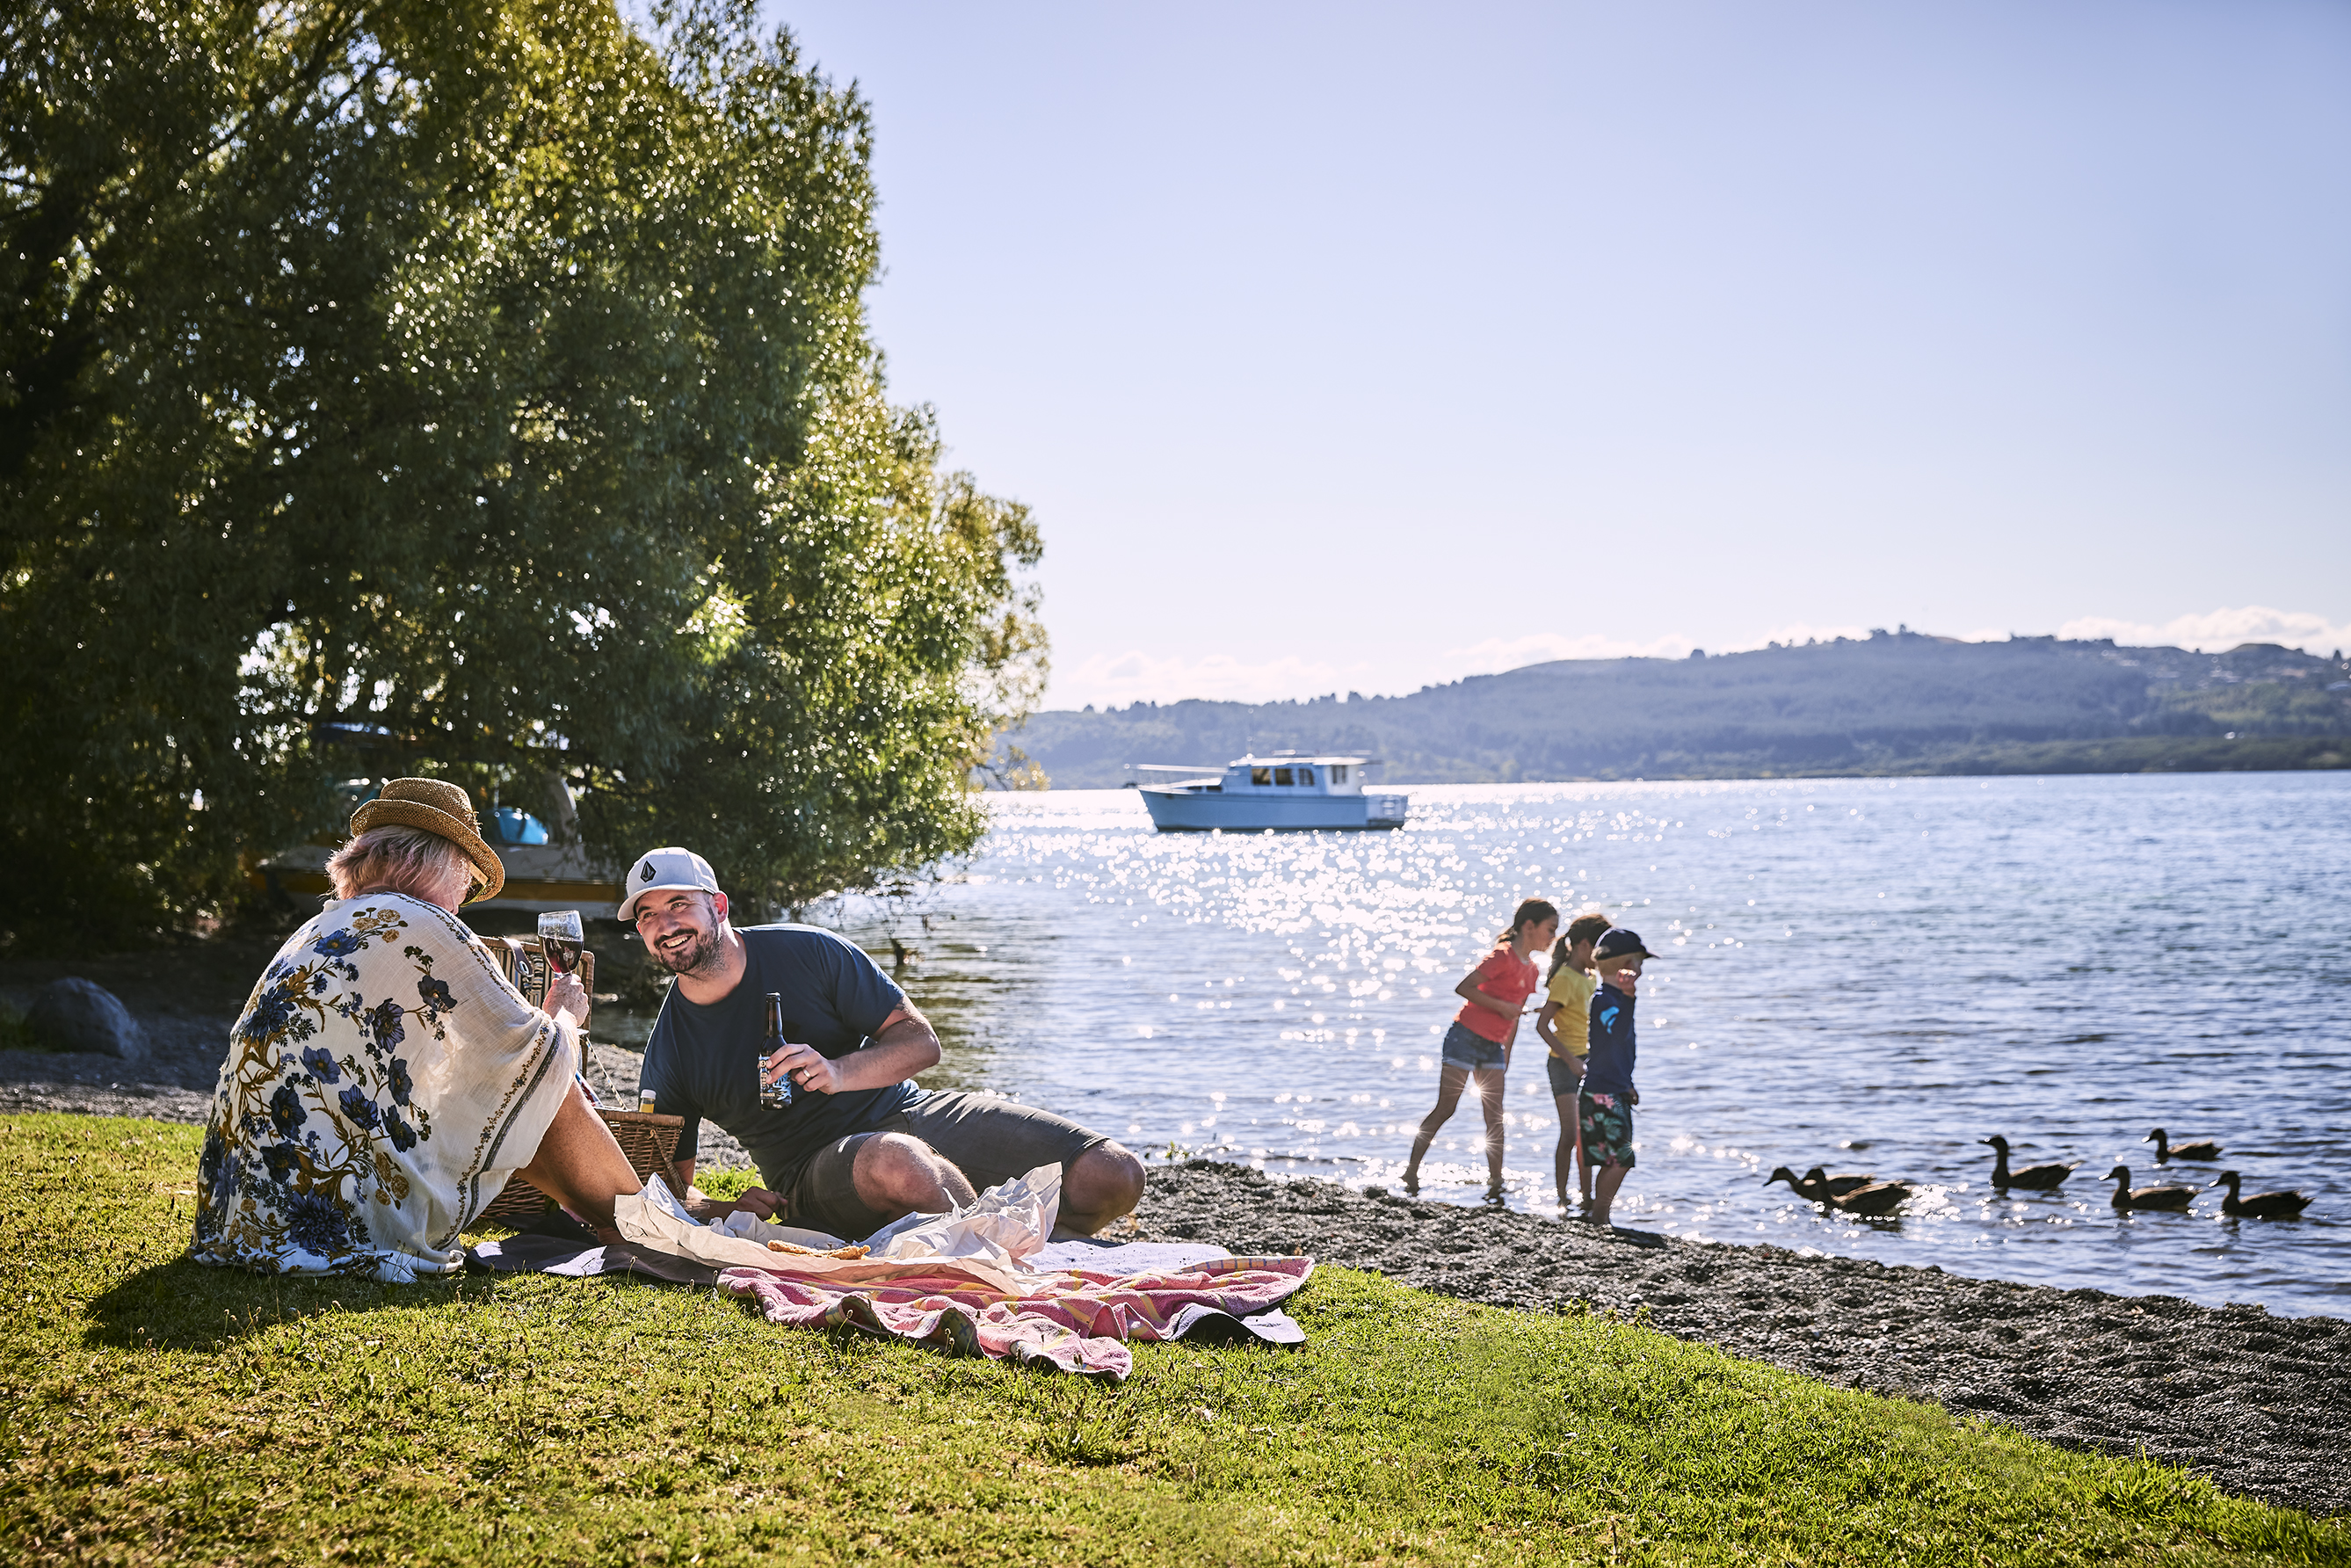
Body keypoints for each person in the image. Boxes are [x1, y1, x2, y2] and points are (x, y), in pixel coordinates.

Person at [191, 779, 643, 1282]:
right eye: (467, 882)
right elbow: (529, 1050)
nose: (462, 900)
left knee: (520, 1080)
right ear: (441, 863)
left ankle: (631, 1218)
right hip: (328, 1221)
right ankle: (641, 1225)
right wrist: (564, 1016)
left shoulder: (327, 922)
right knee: (541, 1072)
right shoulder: (423, 922)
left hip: (238, 1217)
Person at [625, 847, 1146, 1240]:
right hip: (814, 1173)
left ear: (717, 906)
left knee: (1113, 1174)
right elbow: (663, 1190)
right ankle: (1009, 1270)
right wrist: (722, 1207)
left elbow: (922, 1044)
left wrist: (838, 1072)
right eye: (647, 916)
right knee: (899, 1161)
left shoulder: (810, 952)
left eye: (678, 904)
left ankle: (981, 1242)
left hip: (909, 1110)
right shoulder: (669, 1048)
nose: (665, 925)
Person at [1400, 898, 1559, 1203]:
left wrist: (1506, 1054)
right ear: (1529, 926)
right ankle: (1411, 1170)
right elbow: (1464, 988)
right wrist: (1501, 1006)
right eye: (1550, 929)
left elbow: (1513, 1019)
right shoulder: (1502, 956)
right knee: (1446, 1108)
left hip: (1493, 1047)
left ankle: (1496, 1181)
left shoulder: (1532, 971)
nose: (1553, 937)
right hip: (1465, 1036)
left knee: (1495, 1117)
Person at [1533, 910, 1614, 1215]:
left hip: (1589, 1061)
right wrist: (1570, 1060)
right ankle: (1562, 1198)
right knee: (1571, 1133)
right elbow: (1542, 1026)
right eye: (1599, 949)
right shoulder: (1565, 977)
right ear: (1583, 945)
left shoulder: (1590, 978)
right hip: (1563, 1063)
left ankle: (1588, 1198)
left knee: (1587, 1133)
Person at [1579, 926, 1652, 1228]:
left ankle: (1599, 1214)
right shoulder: (1605, 1000)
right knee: (1621, 1158)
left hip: (1612, 1088)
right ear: (1627, 966)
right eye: (1639, 963)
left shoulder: (1613, 998)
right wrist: (1629, 999)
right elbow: (1616, 1033)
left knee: (1613, 1158)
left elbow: (1616, 1049)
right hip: (1603, 1092)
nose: (1642, 971)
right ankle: (1599, 1215)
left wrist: (1628, 1083)